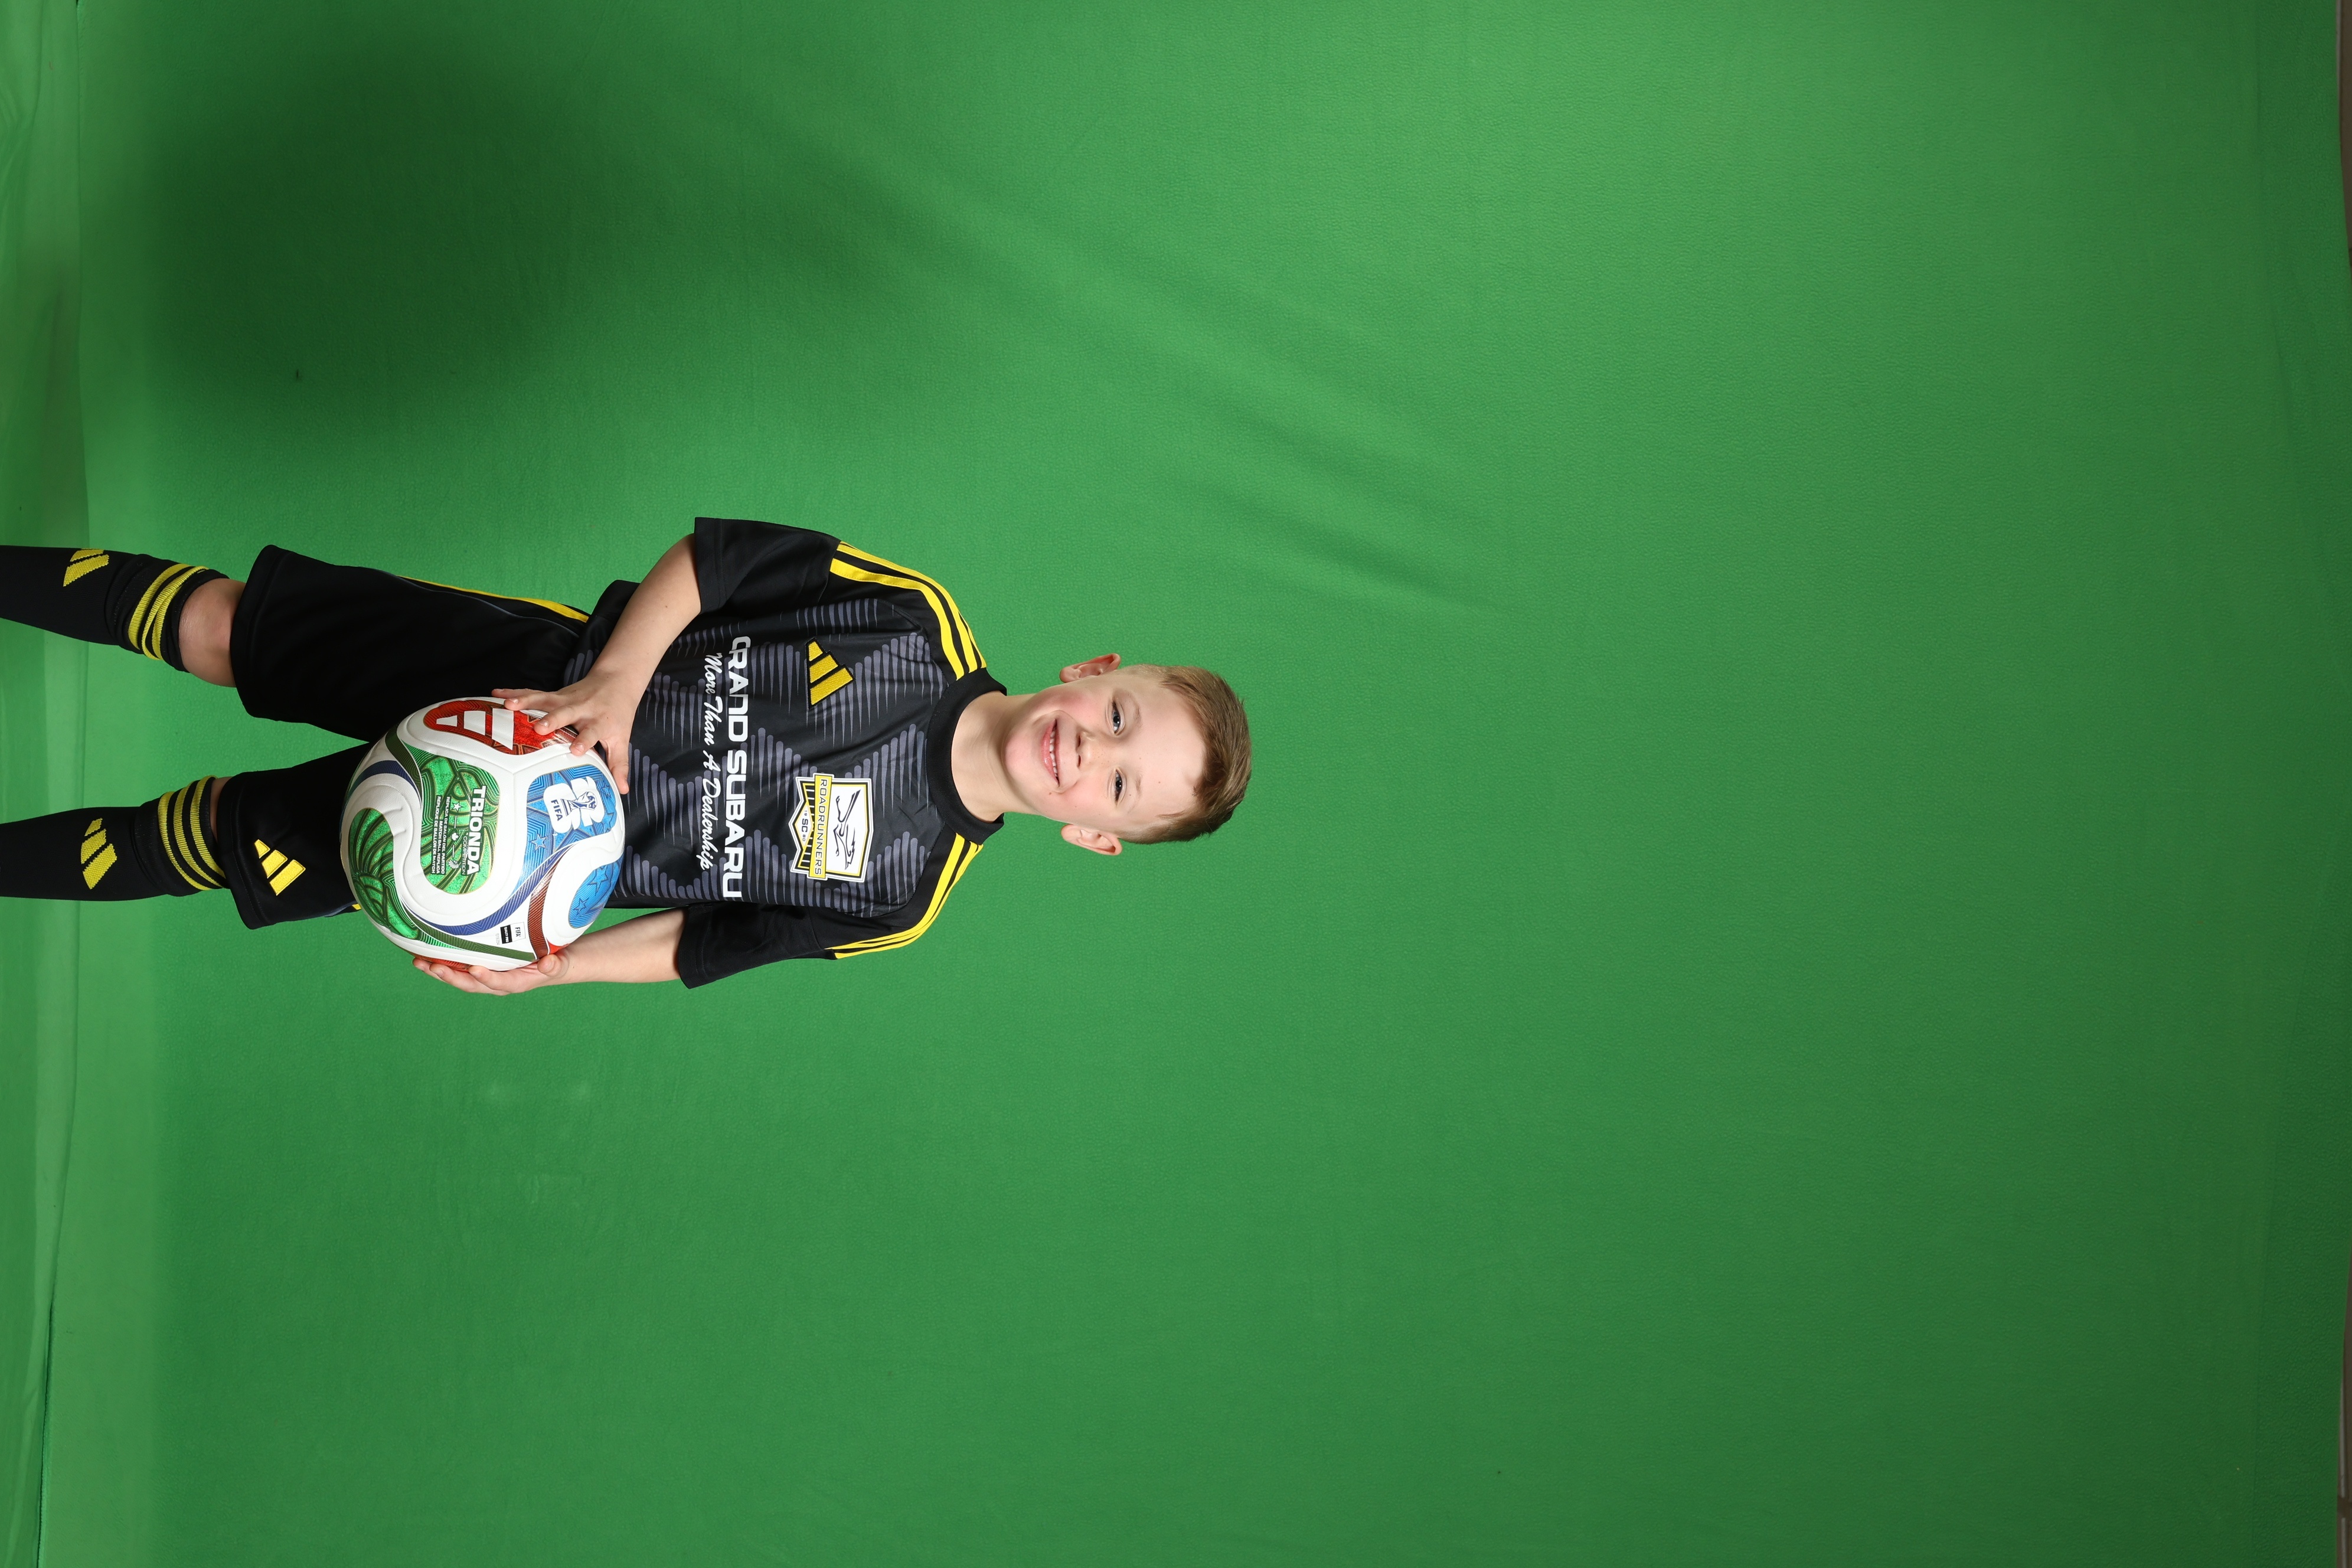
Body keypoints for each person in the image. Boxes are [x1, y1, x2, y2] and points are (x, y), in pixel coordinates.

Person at [0, 520, 1252, 991]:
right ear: (1098, 668)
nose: (1088, 752)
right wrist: (612, 682)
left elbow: (703, 941)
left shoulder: (903, 894)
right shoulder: (912, 622)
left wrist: (550, 969)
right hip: (513, 677)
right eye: (1121, 715)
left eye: (1119, 787)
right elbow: (719, 559)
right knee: (225, 630)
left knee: (207, 840)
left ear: (1095, 836)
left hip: (479, 854)